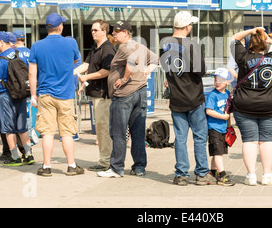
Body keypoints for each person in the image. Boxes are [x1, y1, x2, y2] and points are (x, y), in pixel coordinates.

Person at [97, 20, 158, 178]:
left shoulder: (125, 47)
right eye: (113, 31)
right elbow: (156, 59)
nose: (114, 34)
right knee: (137, 132)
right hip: (140, 92)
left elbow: (131, 60)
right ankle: (139, 167)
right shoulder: (139, 46)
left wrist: (124, 79)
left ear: (126, 33)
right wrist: (145, 72)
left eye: (117, 31)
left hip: (125, 95)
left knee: (118, 132)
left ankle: (116, 168)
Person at [160, 11, 215, 186]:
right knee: (199, 137)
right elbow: (200, 71)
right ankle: (201, 174)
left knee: (180, 138)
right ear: (187, 27)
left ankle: (182, 174)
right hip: (194, 97)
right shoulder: (192, 45)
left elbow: (167, 69)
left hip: (176, 99)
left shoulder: (165, 45)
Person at [231, 27, 272, 185]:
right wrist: (269, 41)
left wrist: (251, 30)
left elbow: (234, 38)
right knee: (267, 141)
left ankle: (251, 175)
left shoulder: (242, 57)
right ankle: (267, 175)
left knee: (249, 141)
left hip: (244, 105)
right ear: (264, 45)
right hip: (270, 105)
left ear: (249, 44)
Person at [29, 13, 84, 176]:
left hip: (45, 94)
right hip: (66, 94)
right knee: (67, 132)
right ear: (60, 26)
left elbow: (32, 74)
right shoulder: (70, 43)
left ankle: (46, 167)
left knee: (47, 132)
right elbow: (75, 62)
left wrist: (33, 95)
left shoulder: (37, 46)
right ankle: (71, 166)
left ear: (47, 27)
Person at [74, 19, 116, 172]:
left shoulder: (108, 49)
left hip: (104, 95)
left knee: (104, 128)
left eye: (95, 30)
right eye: (92, 30)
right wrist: (71, 72)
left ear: (104, 32)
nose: (92, 32)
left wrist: (86, 77)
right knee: (101, 127)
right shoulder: (95, 48)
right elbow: (86, 65)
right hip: (96, 94)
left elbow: (106, 71)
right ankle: (105, 160)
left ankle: (106, 162)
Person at [0, 31, 34, 166]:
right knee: (22, 127)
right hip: (20, 95)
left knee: (8, 128)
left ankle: (14, 157)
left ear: (2, 42)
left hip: (5, 97)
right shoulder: (19, 55)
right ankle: (29, 154)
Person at [205, 68, 235, 186]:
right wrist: (223, 117)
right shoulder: (213, 95)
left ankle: (213, 173)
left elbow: (229, 111)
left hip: (223, 128)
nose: (217, 82)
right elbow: (209, 111)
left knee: (218, 152)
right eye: (216, 79)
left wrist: (229, 125)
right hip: (214, 128)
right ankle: (222, 175)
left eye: (221, 80)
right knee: (218, 153)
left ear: (227, 82)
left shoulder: (227, 94)